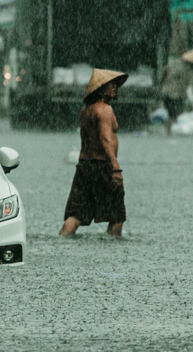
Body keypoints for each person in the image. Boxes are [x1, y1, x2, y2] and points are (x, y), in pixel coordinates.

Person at [59, 69, 128, 237]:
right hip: (102, 166)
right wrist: (115, 168)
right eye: (111, 85)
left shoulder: (87, 110)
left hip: (85, 166)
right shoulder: (104, 110)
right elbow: (105, 139)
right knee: (117, 215)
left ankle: (62, 240)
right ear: (101, 88)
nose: (115, 88)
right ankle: (113, 247)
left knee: (75, 215)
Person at [161, 48, 193, 135]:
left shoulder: (173, 63)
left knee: (170, 113)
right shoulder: (190, 72)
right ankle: (173, 131)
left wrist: (165, 82)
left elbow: (164, 74)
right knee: (176, 115)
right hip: (178, 95)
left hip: (166, 92)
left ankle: (169, 131)